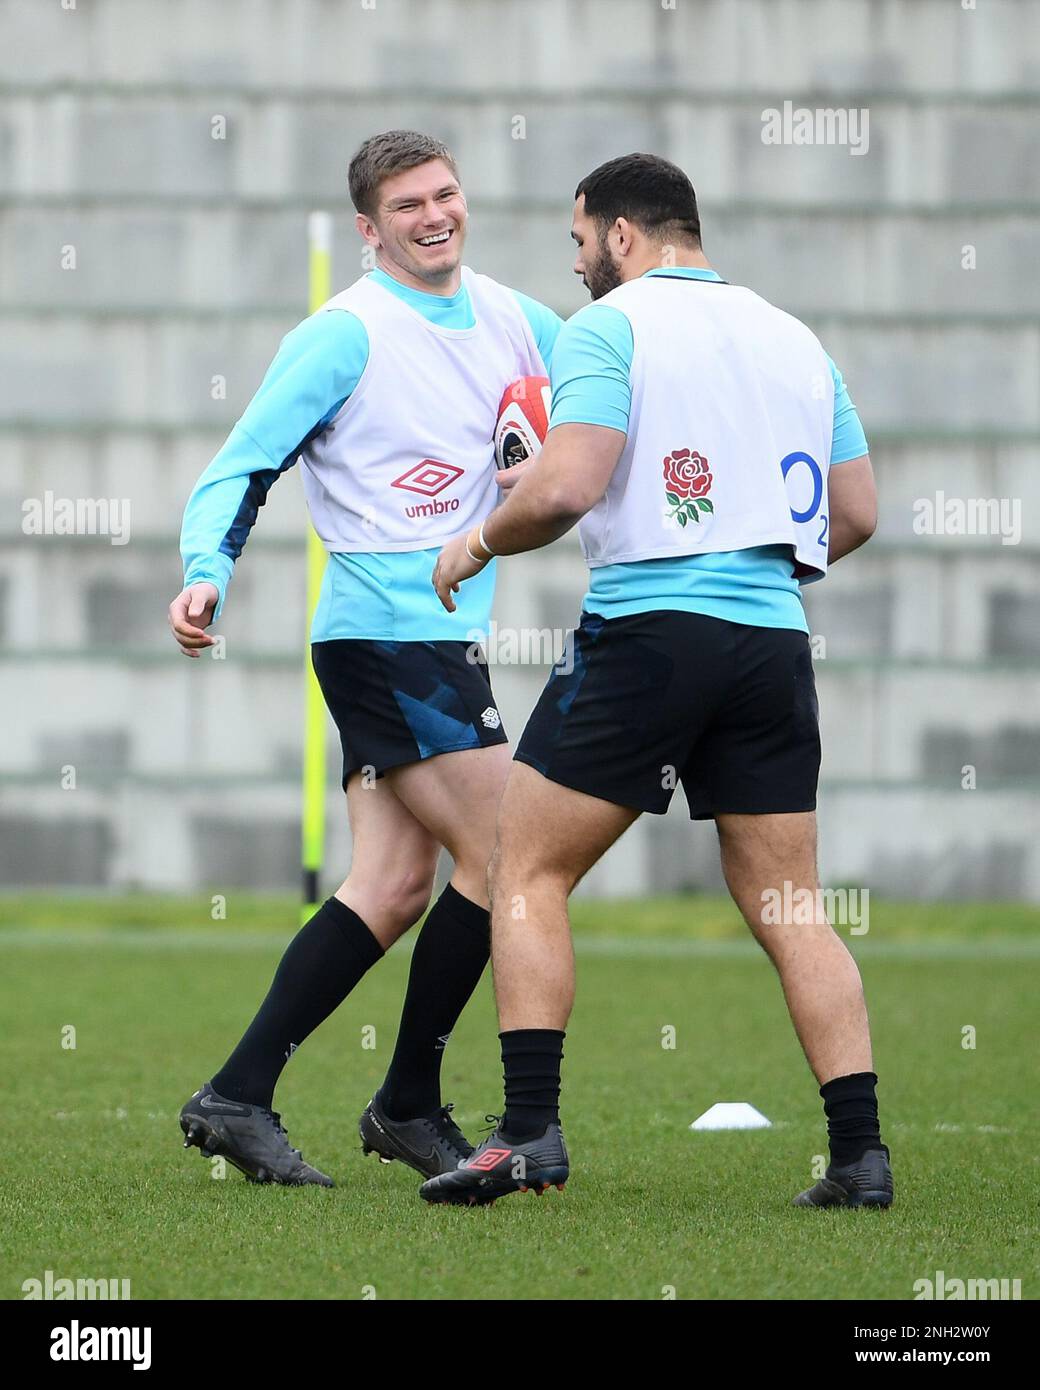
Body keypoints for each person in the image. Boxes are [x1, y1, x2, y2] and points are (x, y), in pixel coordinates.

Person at [423, 152, 888, 1210]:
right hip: (773, 641)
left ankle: (529, 1135)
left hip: (648, 632)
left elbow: (573, 482)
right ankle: (859, 1157)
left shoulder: (608, 326)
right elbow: (853, 514)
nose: (579, 263)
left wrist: (480, 541)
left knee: (524, 867)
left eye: (579, 242)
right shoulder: (794, 337)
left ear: (620, 234)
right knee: (789, 903)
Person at [169, 129, 560, 1186]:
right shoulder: (344, 334)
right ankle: (406, 1100)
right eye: (406, 206)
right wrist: (207, 567)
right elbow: (242, 461)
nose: (433, 216)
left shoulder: (521, 321)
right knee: (505, 856)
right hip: (385, 632)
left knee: (389, 886)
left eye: (444, 195)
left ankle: (239, 1095)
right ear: (368, 227)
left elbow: (605, 408)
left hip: (432, 634)